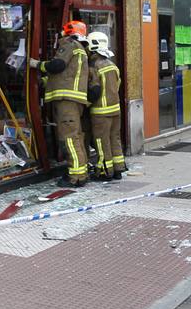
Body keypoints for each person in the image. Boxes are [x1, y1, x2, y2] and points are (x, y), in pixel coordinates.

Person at [31, 21, 94, 187]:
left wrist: (37, 64)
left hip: (67, 101)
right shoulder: (82, 50)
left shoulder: (69, 44)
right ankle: (81, 172)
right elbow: (68, 74)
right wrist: (46, 81)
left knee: (70, 138)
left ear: (67, 33)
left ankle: (76, 177)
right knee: (76, 136)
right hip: (75, 100)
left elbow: (57, 65)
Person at [86, 31, 124, 180]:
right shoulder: (112, 65)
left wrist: (86, 104)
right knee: (115, 139)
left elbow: (94, 91)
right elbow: (117, 85)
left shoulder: (94, 66)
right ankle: (118, 169)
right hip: (116, 110)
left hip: (101, 112)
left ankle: (105, 172)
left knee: (102, 142)